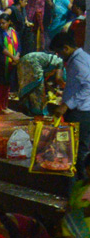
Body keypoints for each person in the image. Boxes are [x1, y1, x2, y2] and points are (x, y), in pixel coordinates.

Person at [50, 31, 90, 180]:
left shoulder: (79, 61)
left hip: (81, 112)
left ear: (66, 48)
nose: (59, 55)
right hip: (81, 110)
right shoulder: (79, 58)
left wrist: (66, 105)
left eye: (59, 52)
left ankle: (82, 184)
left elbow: (88, 86)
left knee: (80, 150)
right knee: (78, 148)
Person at [0, 11, 19, 115]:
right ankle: (0, 106)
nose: (2, 25)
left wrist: (17, 57)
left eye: (4, 23)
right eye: (0, 23)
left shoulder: (14, 32)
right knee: (0, 85)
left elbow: (19, 46)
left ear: (9, 22)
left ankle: (5, 105)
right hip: (1, 62)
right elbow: (0, 47)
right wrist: (12, 57)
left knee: (7, 85)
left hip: (12, 63)